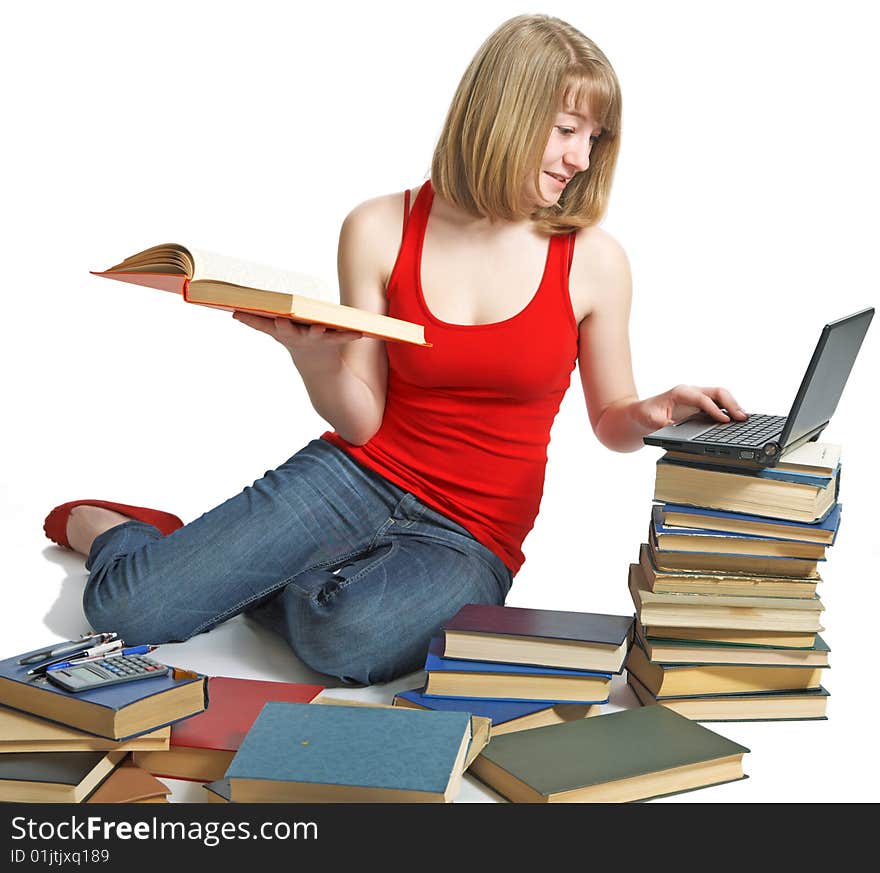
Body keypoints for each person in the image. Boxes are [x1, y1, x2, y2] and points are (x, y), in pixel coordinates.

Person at [43, 14, 746, 685]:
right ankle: (127, 534)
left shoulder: (594, 260)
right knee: (125, 610)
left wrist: (653, 408)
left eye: (595, 137)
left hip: (469, 533)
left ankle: (244, 570)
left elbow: (610, 420)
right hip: (355, 475)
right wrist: (313, 357)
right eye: (566, 129)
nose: (581, 158)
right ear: (504, 113)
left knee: (344, 638)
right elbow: (362, 422)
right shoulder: (380, 226)